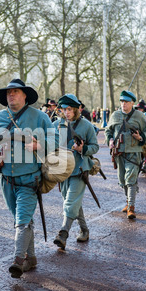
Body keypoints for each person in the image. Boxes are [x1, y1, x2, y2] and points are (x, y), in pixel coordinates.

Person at [0, 79, 59, 279]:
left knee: (21, 222)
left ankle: (18, 260)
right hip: (6, 181)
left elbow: (56, 139)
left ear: (24, 95)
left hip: (30, 179)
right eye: (8, 93)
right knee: (21, 219)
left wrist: (40, 145)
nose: (10, 95)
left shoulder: (39, 117)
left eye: (15, 92)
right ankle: (31, 257)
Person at [52, 94, 99, 248]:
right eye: (63, 109)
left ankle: (63, 233)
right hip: (63, 170)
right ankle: (84, 230)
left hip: (79, 170)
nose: (66, 112)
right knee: (72, 203)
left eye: (69, 109)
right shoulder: (56, 125)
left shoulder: (86, 126)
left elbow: (95, 146)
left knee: (70, 202)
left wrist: (82, 148)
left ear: (76, 110)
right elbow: (49, 144)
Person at [105, 91, 146, 219]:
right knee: (122, 180)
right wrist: (109, 139)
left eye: (126, 102)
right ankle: (128, 201)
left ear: (132, 103)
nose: (123, 104)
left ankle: (131, 207)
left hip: (134, 152)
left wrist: (140, 136)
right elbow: (108, 130)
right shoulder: (115, 115)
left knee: (130, 178)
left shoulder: (140, 116)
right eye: (122, 101)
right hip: (118, 152)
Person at [135, 100, 146, 174]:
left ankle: (145, 166)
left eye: (141, 108)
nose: (139, 110)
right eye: (138, 108)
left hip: (145, 137)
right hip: (136, 137)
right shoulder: (134, 116)